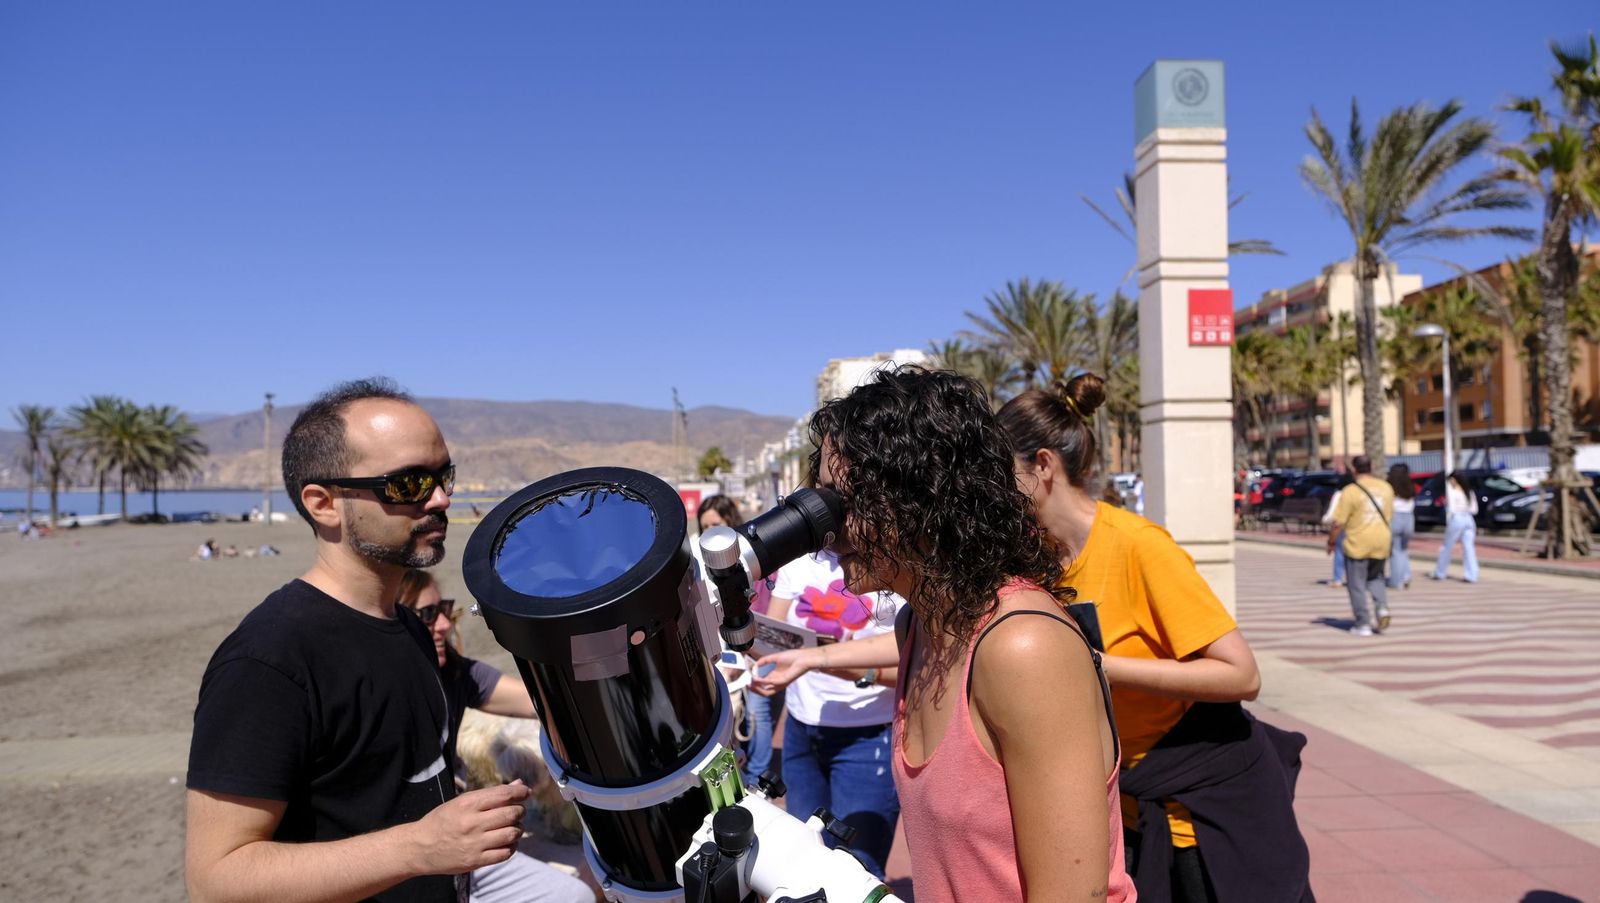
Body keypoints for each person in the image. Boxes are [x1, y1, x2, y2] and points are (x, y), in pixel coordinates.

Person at [755, 366, 1132, 901]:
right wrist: (810, 660)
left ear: (924, 497)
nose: (830, 532)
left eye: (845, 501)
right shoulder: (920, 626)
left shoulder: (1025, 648)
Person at [186, 378, 531, 903]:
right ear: (324, 504)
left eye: (444, 476)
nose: (439, 499)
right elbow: (215, 880)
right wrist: (419, 848)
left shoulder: (411, 629)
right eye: (409, 483)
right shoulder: (270, 660)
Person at [998, 373, 1306, 903]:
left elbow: (1242, 674)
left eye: (999, 475)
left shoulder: (1139, 546)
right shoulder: (1035, 560)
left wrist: (1095, 664)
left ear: (1042, 466)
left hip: (1203, 821)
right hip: (1126, 813)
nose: (992, 493)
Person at [395, 569, 593, 903]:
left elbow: (538, 702)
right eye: (428, 615)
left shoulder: (459, 674)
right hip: (407, 852)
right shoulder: (380, 694)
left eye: (444, 609)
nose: (444, 624)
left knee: (581, 893)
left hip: (457, 843)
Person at [695, 494, 782, 788]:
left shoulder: (752, 561)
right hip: (730, 651)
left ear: (729, 523)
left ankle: (758, 774)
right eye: (703, 527)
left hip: (756, 646)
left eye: (715, 525)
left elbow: (764, 606)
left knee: (758, 712)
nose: (709, 533)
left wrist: (750, 648)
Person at [1330, 455, 1395, 637]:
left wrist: (1331, 541)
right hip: (1381, 540)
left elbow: (1338, 522)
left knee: (1356, 584)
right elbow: (1390, 515)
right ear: (1372, 466)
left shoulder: (1350, 491)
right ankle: (1381, 608)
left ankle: (1363, 623)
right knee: (1376, 578)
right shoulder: (1386, 488)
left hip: (1358, 542)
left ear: (1354, 469)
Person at [1431, 472, 1480, 583]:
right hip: (1469, 519)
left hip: (1457, 518)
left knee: (1447, 546)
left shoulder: (1452, 493)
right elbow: (1474, 509)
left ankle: (1440, 572)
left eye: (1451, 480)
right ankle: (1472, 575)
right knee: (1469, 548)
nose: (1450, 483)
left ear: (1455, 480)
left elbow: (1452, 508)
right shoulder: (1469, 492)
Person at [1387, 464, 1417, 590]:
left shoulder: (1390, 488)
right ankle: (1405, 576)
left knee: (1395, 550)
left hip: (1395, 518)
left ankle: (1396, 581)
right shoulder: (1410, 487)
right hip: (1409, 518)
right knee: (1403, 549)